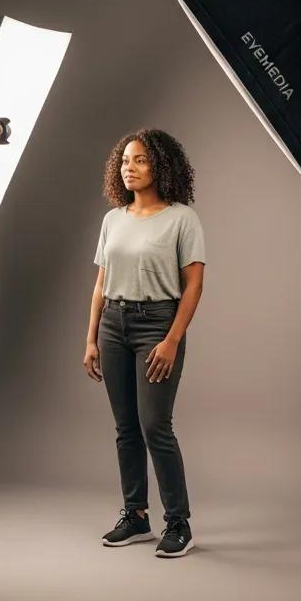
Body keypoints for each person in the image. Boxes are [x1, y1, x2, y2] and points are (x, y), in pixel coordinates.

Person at [83, 129, 206, 558]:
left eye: (139, 161)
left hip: (157, 324)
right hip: (113, 326)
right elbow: (100, 283)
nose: (129, 168)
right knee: (126, 428)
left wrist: (173, 339)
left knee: (156, 425)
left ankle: (179, 522)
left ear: (161, 166)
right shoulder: (112, 219)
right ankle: (136, 515)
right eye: (124, 161)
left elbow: (192, 287)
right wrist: (91, 339)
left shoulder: (181, 219)